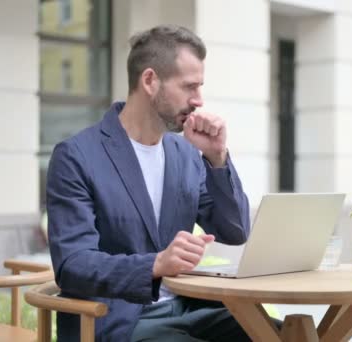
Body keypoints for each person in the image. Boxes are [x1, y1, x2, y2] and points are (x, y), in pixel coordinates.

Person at [46, 25, 260, 341]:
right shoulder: (77, 157)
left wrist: (217, 159)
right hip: (119, 320)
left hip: (192, 308)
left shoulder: (187, 155)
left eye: (200, 87)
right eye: (189, 87)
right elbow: (74, 265)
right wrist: (156, 263)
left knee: (282, 335)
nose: (199, 100)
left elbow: (235, 231)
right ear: (150, 81)